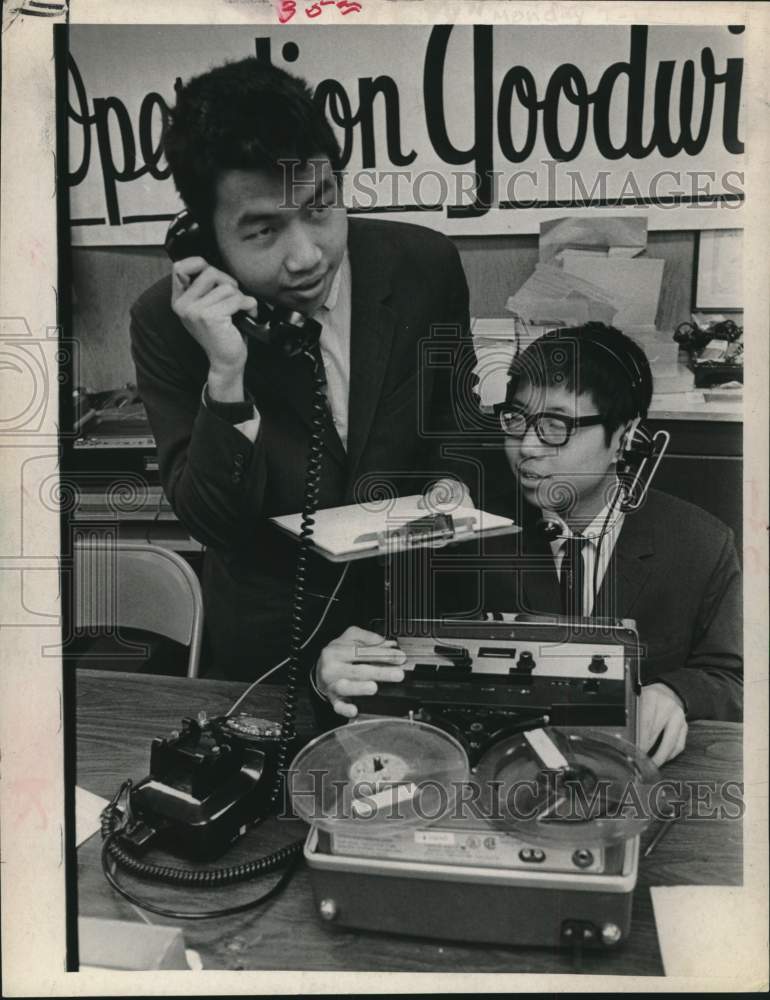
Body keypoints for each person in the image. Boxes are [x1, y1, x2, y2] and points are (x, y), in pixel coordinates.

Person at [130, 58, 471, 679]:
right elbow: (212, 522)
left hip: (419, 628)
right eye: (264, 231)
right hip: (272, 654)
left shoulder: (426, 266)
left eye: (321, 206)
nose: (308, 256)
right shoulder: (167, 323)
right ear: (203, 239)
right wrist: (226, 376)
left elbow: (456, 426)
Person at [315, 323, 743, 766]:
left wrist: (676, 693)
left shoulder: (702, 546)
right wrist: (332, 674)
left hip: (635, 784)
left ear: (624, 436)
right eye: (517, 419)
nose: (527, 446)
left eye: (556, 426)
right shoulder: (463, 537)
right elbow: (388, 657)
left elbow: (732, 677)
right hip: (494, 780)